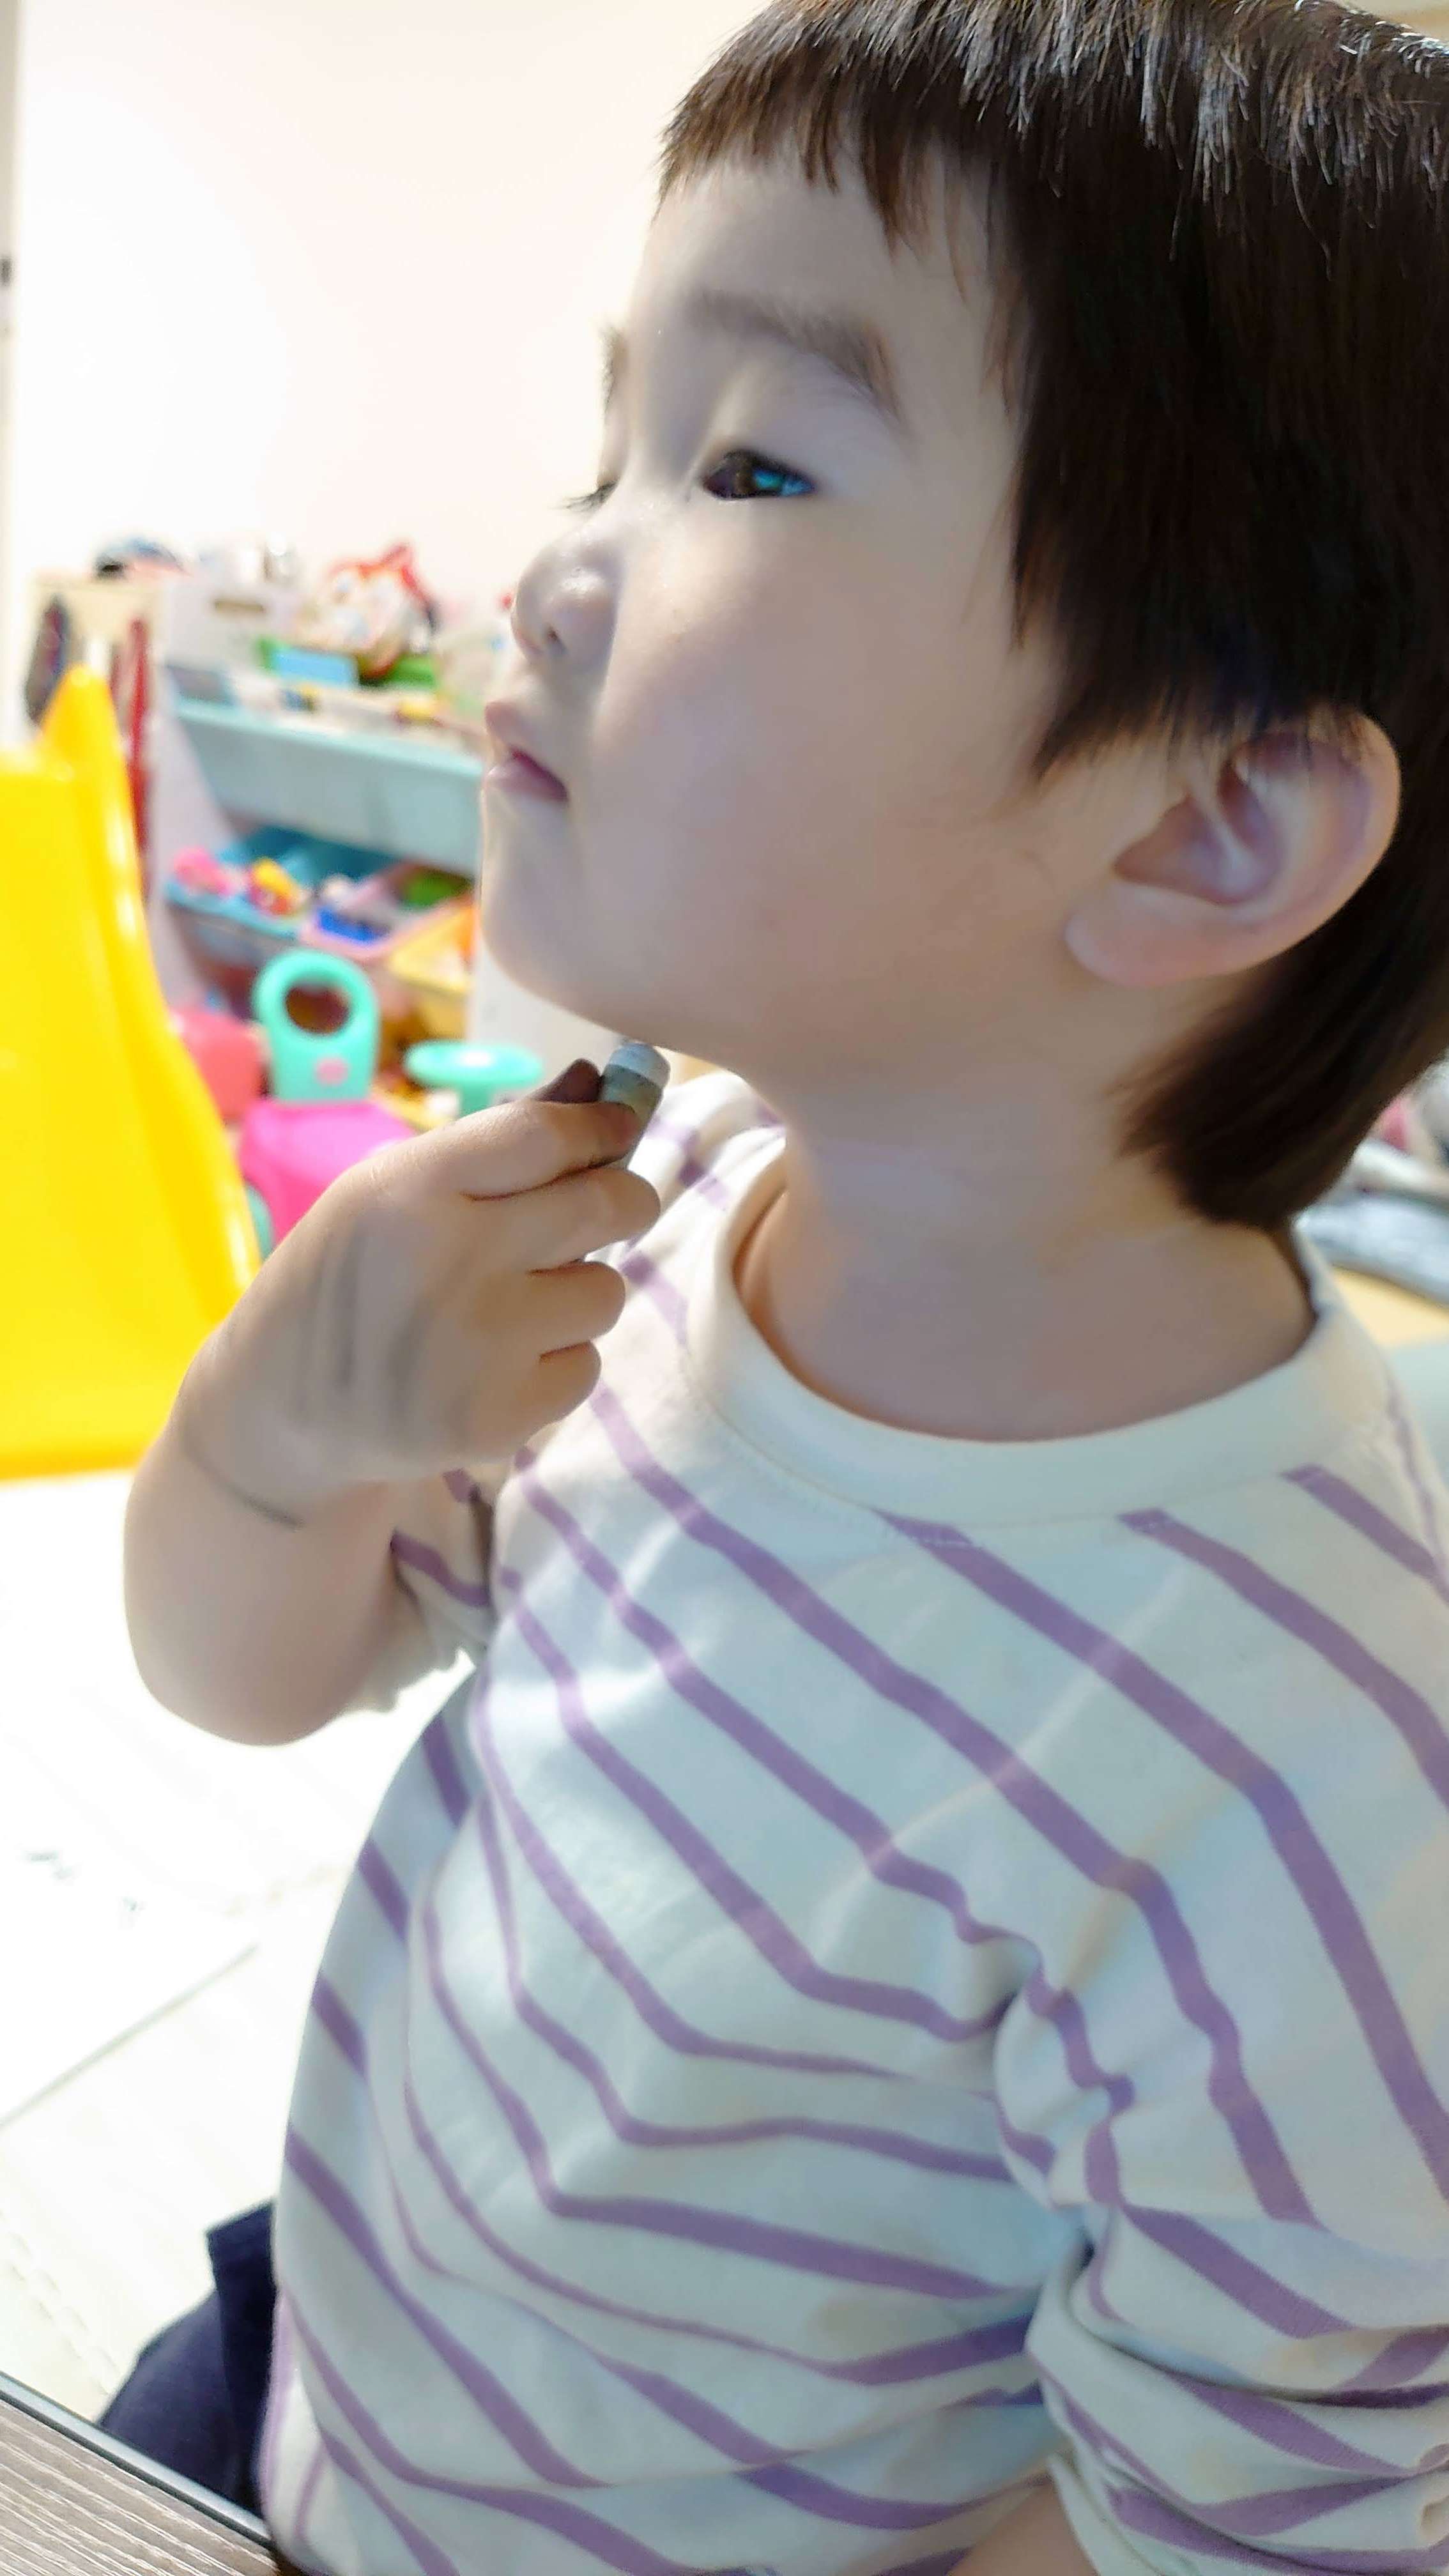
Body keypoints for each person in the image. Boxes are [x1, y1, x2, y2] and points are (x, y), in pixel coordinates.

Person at [109, 1, 1449, 2569]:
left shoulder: (1306, 1774)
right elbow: (242, 1674)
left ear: (1207, 820)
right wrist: (276, 1434)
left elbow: (1227, 2526)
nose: (554, 564)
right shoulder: (663, 1211)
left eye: (747, 464)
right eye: (611, 443)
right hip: (324, 2375)